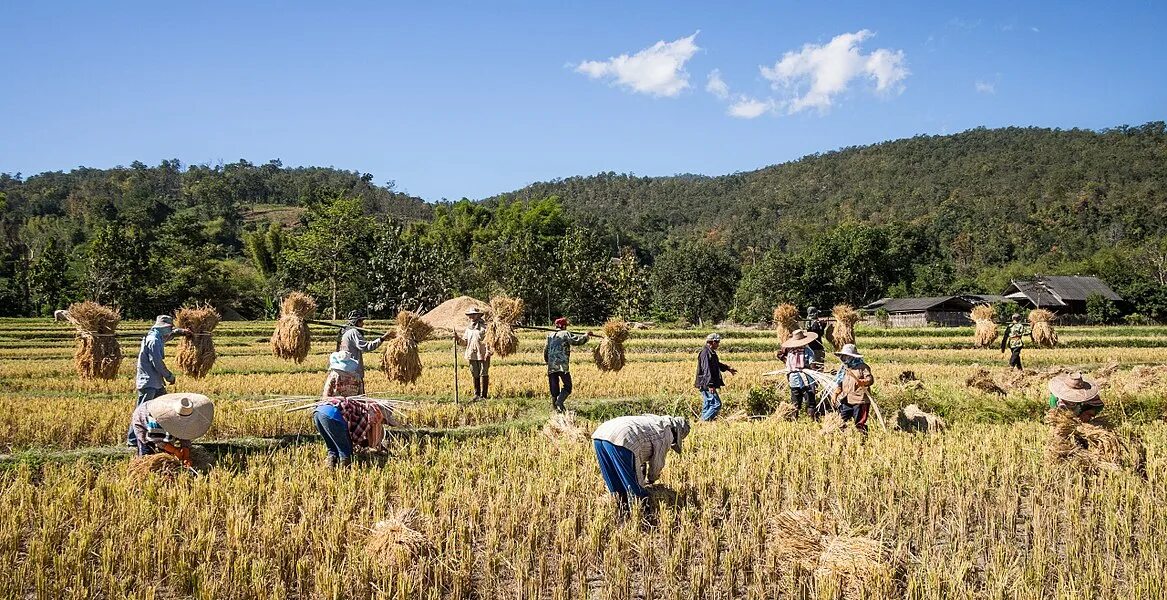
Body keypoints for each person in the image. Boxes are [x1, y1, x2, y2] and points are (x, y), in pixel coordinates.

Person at [592, 414, 690, 512]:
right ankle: (642, 515)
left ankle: (620, 513)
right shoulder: (667, 433)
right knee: (635, 490)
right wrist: (651, 480)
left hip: (601, 434)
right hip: (624, 438)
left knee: (614, 484)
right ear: (677, 433)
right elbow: (657, 463)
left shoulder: (653, 421)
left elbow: (641, 446)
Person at [315, 351, 391, 468]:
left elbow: (325, 397)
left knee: (332, 450)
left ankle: (331, 471)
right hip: (337, 415)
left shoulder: (334, 375)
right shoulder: (357, 377)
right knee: (345, 452)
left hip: (320, 413)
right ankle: (345, 474)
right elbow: (362, 398)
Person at [127, 315, 188, 446]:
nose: (170, 330)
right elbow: (157, 362)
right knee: (141, 412)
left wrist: (178, 332)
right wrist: (168, 375)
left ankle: (166, 434)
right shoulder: (153, 340)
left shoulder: (157, 337)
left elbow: (166, 338)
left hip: (156, 383)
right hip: (149, 382)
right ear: (163, 328)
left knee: (165, 408)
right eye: (169, 328)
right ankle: (132, 440)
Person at [130, 392, 214, 466]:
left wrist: (186, 457)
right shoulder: (157, 418)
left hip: (160, 424)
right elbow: (157, 440)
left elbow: (185, 437)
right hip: (142, 419)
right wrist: (175, 450)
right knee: (147, 451)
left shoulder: (185, 415)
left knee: (168, 450)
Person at [336, 309, 392, 392]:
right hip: (353, 373)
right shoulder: (353, 332)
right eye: (361, 321)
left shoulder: (344, 332)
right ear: (357, 322)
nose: (363, 324)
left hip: (343, 370)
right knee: (357, 400)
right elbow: (366, 347)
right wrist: (382, 338)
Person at [544, 317, 592, 413]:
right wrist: (586, 336)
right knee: (568, 386)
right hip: (562, 365)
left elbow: (546, 350)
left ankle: (555, 407)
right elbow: (577, 341)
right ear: (564, 326)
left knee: (554, 386)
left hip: (551, 365)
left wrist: (548, 362)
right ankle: (559, 402)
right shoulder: (565, 334)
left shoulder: (550, 335)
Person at [832, 343, 875, 433]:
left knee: (859, 424)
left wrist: (862, 382)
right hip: (846, 399)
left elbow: (870, 379)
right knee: (841, 420)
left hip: (860, 400)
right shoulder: (844, 368)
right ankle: (844, 439)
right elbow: (840, 382)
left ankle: (862, 441)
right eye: (843, 356)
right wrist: (836, 393)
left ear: (853, 357)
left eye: (847, 356)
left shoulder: (862, 367)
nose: (844, 358)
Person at [694, 333, 737, 421]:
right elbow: (706, 369)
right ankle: (703, 421)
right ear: (712, 342)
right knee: (716, 404)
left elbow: (717, 364)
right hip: (706, 383)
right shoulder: (705, 353)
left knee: (708, 403)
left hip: (705, 382)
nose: (718, 344)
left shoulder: (711, 352)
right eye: (717, 342)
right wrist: (710, 384)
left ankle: (704, 423)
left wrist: (728, 368)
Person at [778, 329, 820, 419]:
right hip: (806, 379)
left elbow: (787, 365)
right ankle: (811, 419)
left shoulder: (790, 352)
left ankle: (794, 419)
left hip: (793, 379)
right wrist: (816, 376)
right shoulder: (808, 351)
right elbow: (812, 366)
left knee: (795, 401)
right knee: (810, 402)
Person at [456, 306, 492, 400]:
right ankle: (477, 394)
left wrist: (488, 351)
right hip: (472, 353)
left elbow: (490, 340)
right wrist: (457, 338)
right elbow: (465, 342)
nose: (471, 317)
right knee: (474, 373)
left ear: (478, 315)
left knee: (484, 373)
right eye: (470, 315)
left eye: (473, 315)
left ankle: (484, 395)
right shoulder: (468, 329)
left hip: (483, 353)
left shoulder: (485, 327)